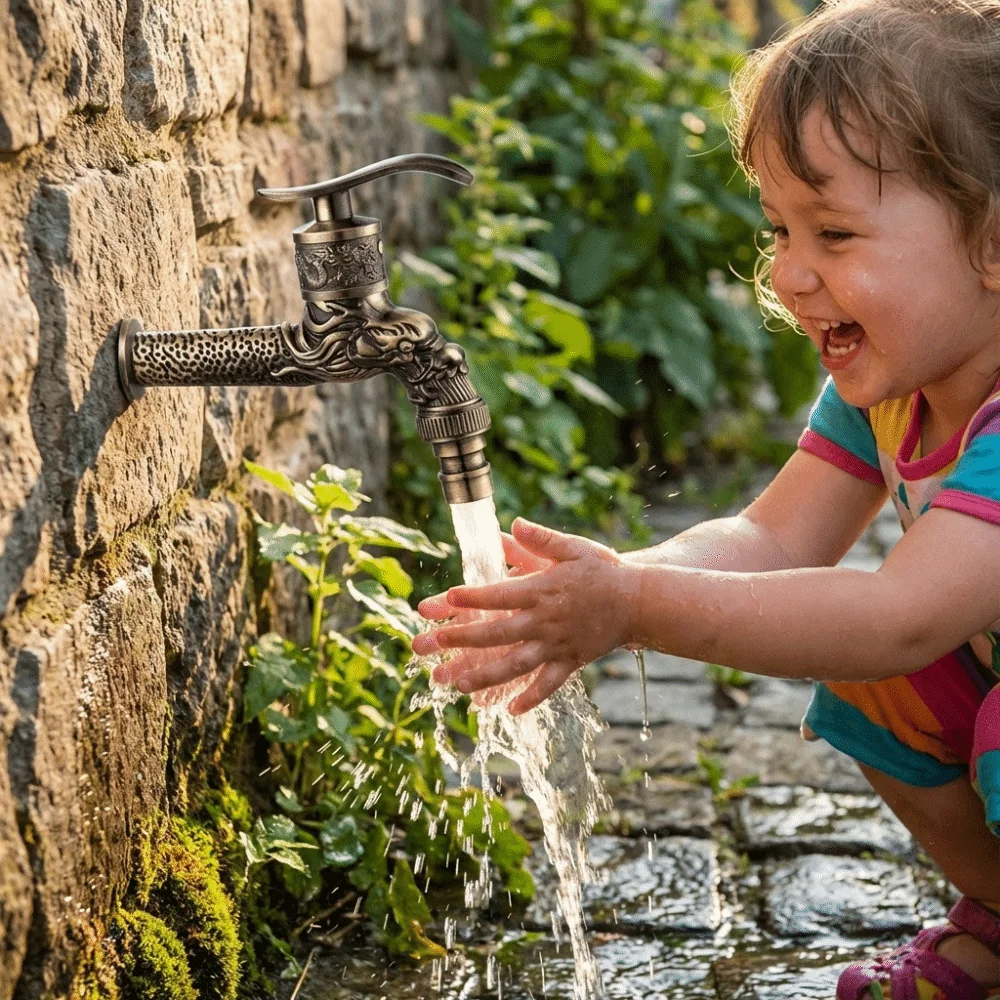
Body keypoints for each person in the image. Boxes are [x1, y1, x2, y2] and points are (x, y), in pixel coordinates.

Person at [411, 1, 1000, 996]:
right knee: (870, 684)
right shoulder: (894, 385)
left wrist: (635, 608)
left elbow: (898, 616)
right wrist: (600, 587)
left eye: (835, 232)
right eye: (778, 226)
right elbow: (771, 537)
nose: (789, 273)